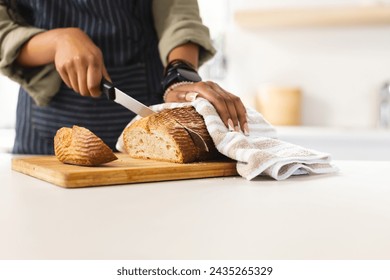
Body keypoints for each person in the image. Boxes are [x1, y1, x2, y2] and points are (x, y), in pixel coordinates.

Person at [0, 0, 247, 155]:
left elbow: (177, 11)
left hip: (152, 114)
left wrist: (179, 74)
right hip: (47, 128)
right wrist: (56, 41)